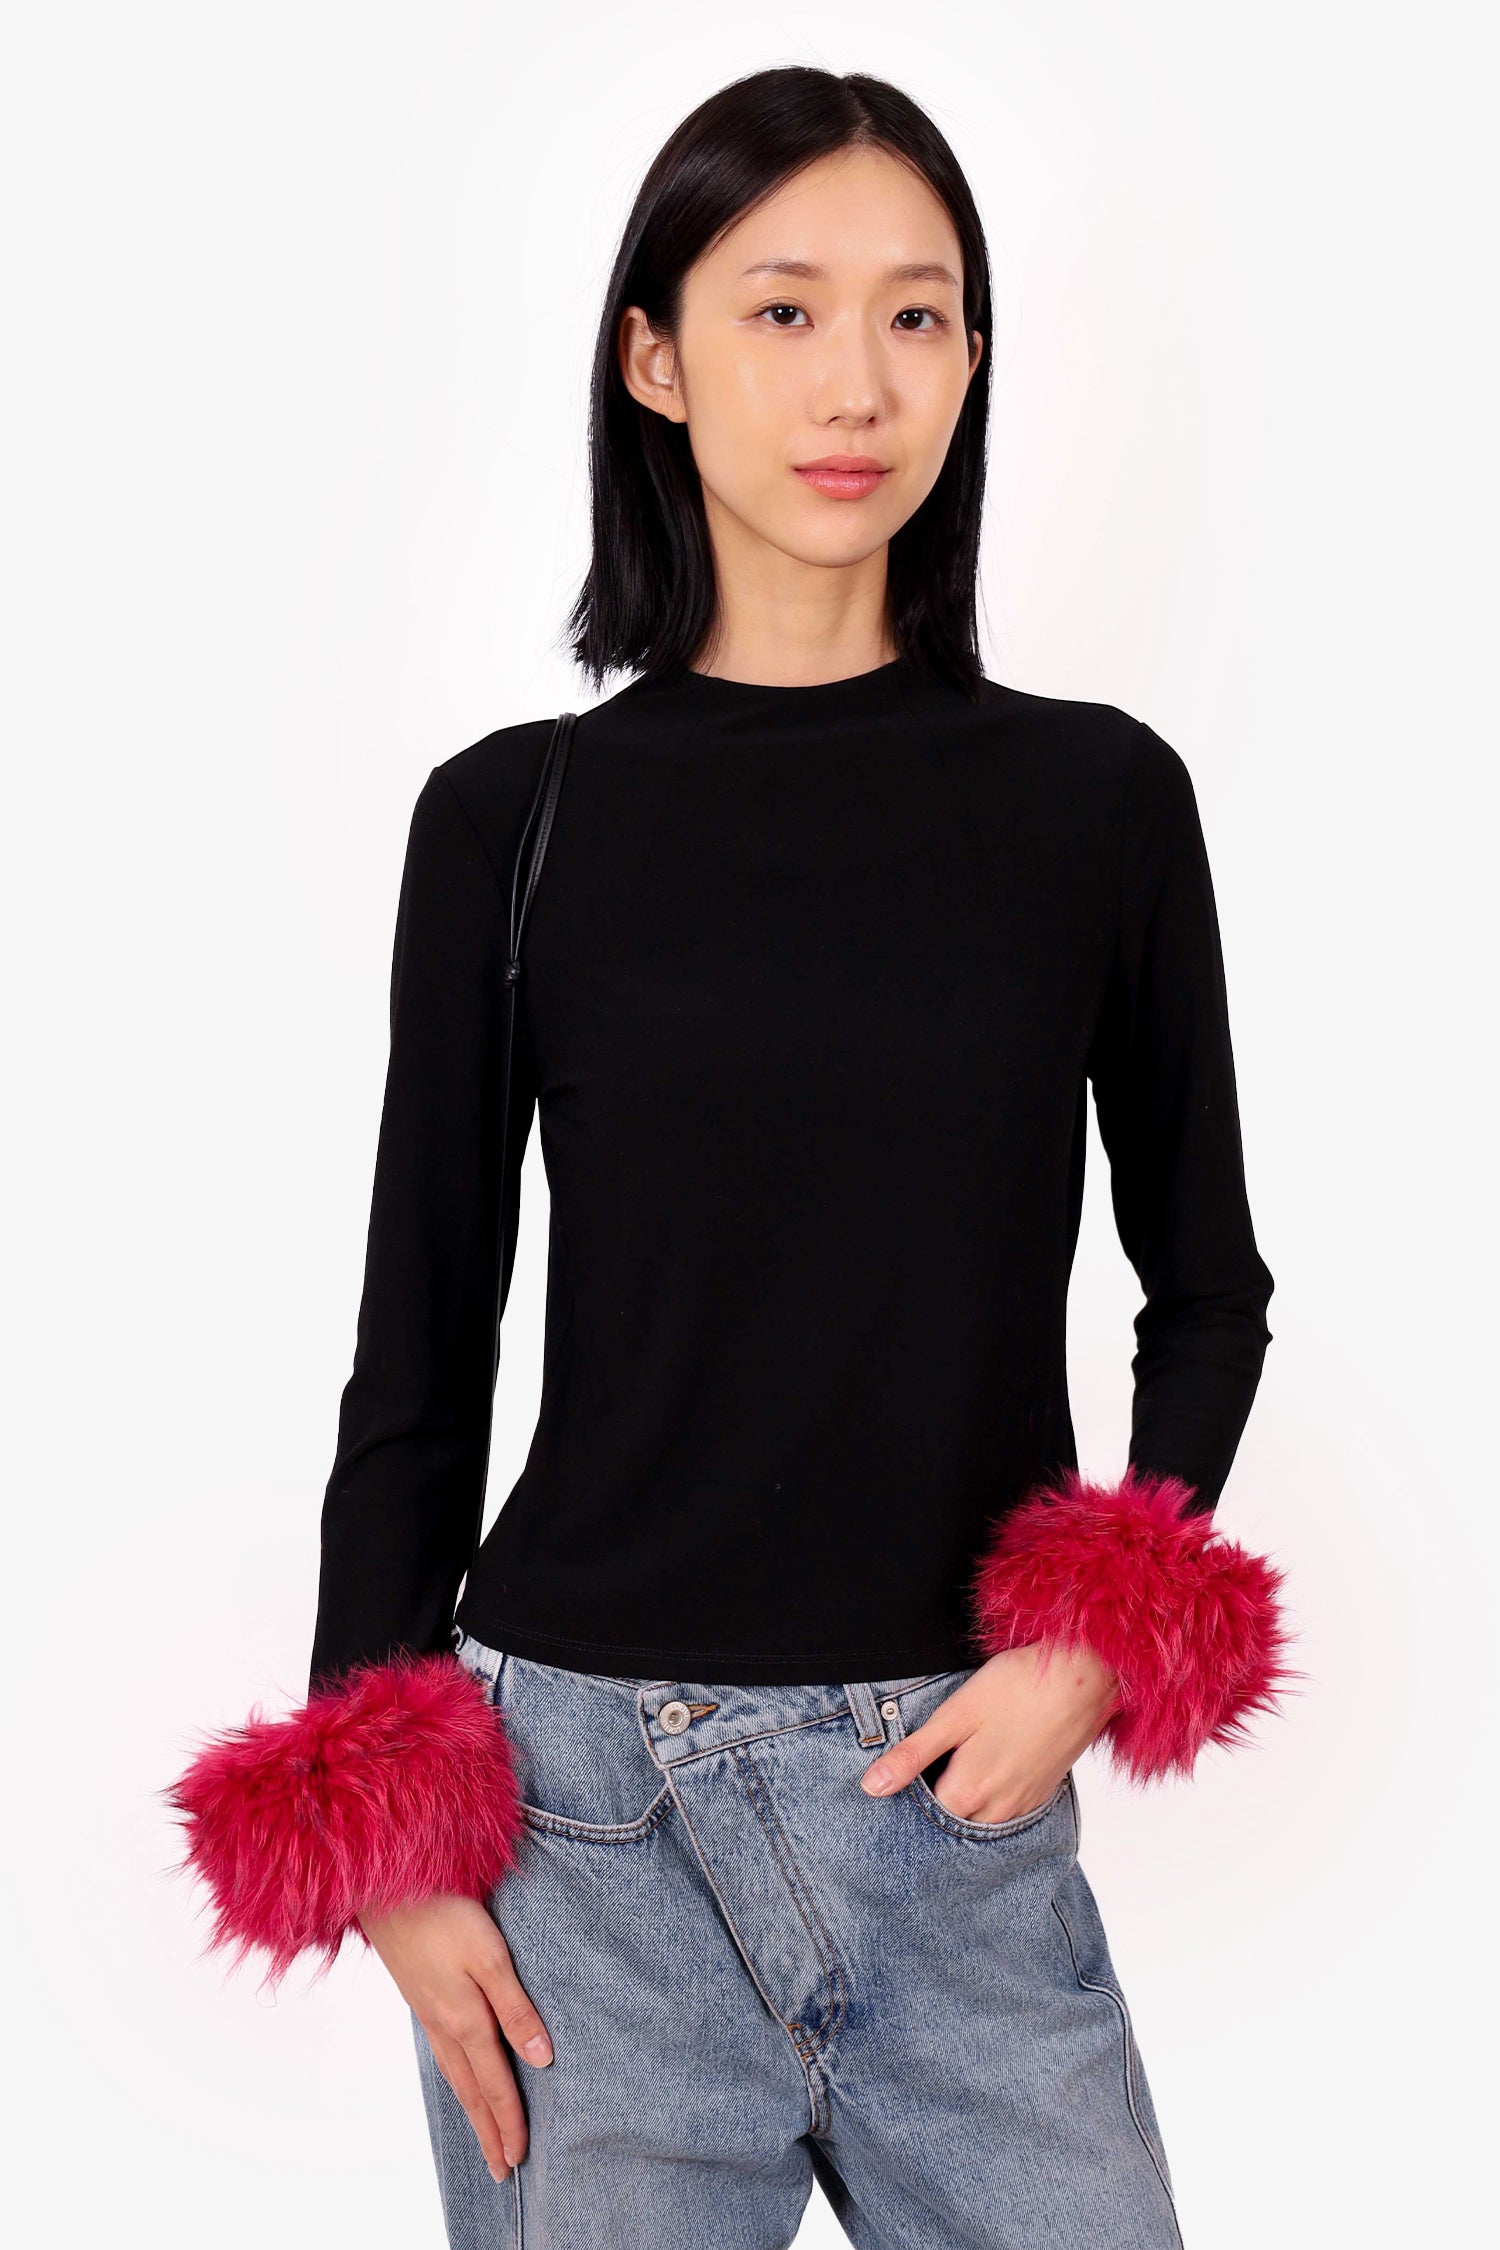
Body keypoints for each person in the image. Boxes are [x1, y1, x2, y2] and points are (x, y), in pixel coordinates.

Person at [164, 65, 1296, 2250]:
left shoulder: (1097, 806)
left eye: (917, 315)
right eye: (782, 310)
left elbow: (1211, 1287)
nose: (856, 383)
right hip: (584, 1845)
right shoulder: (511, 821)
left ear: (972, 358)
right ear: (656, 360)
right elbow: (421, 1353)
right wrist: (382, 1835)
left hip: (958, 1810)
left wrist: (1096, 1646)